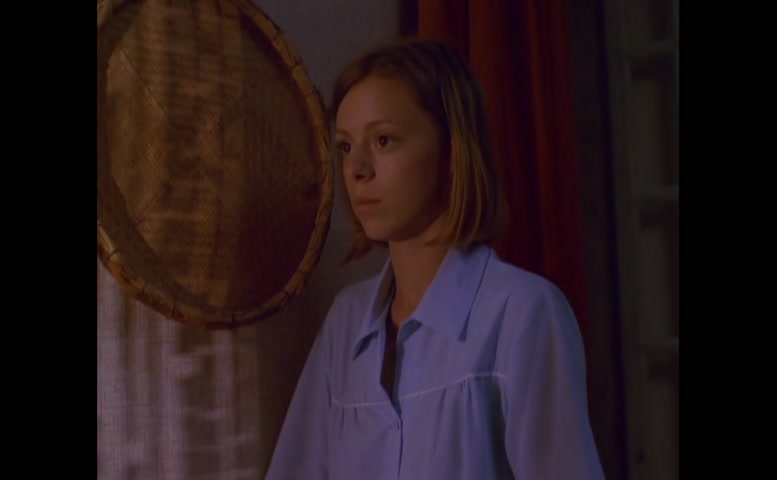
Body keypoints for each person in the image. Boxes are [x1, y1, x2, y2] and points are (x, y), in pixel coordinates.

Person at [266, 37, 605, 480]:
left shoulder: (523, 313)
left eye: (383, 140)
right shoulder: (346, 322)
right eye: (346, 146)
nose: (358, 169)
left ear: (452, 151)